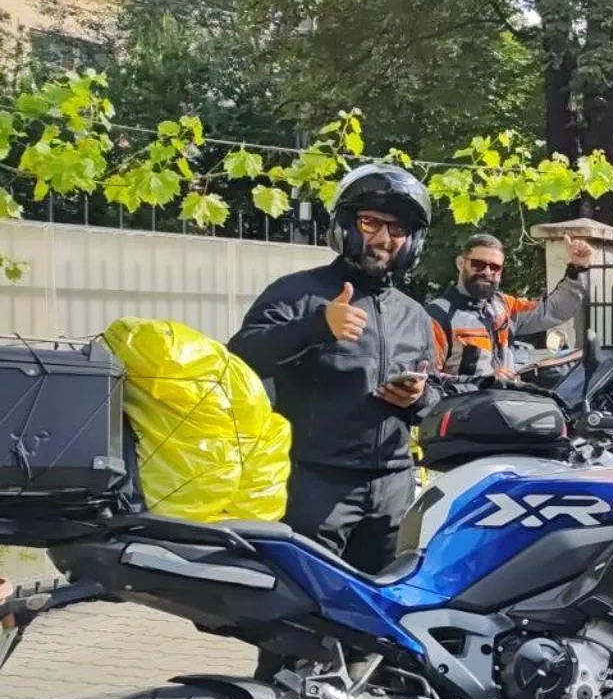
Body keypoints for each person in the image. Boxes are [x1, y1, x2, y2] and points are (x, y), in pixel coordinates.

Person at [229, 164, 441, 575]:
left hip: (393, 490)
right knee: (300, 619)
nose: (383, 239)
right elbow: (240, 358)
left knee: (380, 619)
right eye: (370, 222)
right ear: (346, 225)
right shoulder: (298, 293)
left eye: (397, 230)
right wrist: (315, 328)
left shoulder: (415, 316)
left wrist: (419, 398)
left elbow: (436, 395)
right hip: (313, 485)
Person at [426, 233, 594, 376]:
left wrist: (578, 268)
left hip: (506, 401)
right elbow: (428, 380)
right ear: (461, 264)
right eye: (478, 264)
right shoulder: (437, 316)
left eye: (495, 267)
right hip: (463, 409)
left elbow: (553, 311)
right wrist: (485, 381)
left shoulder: (504, 305)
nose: (487, 272)